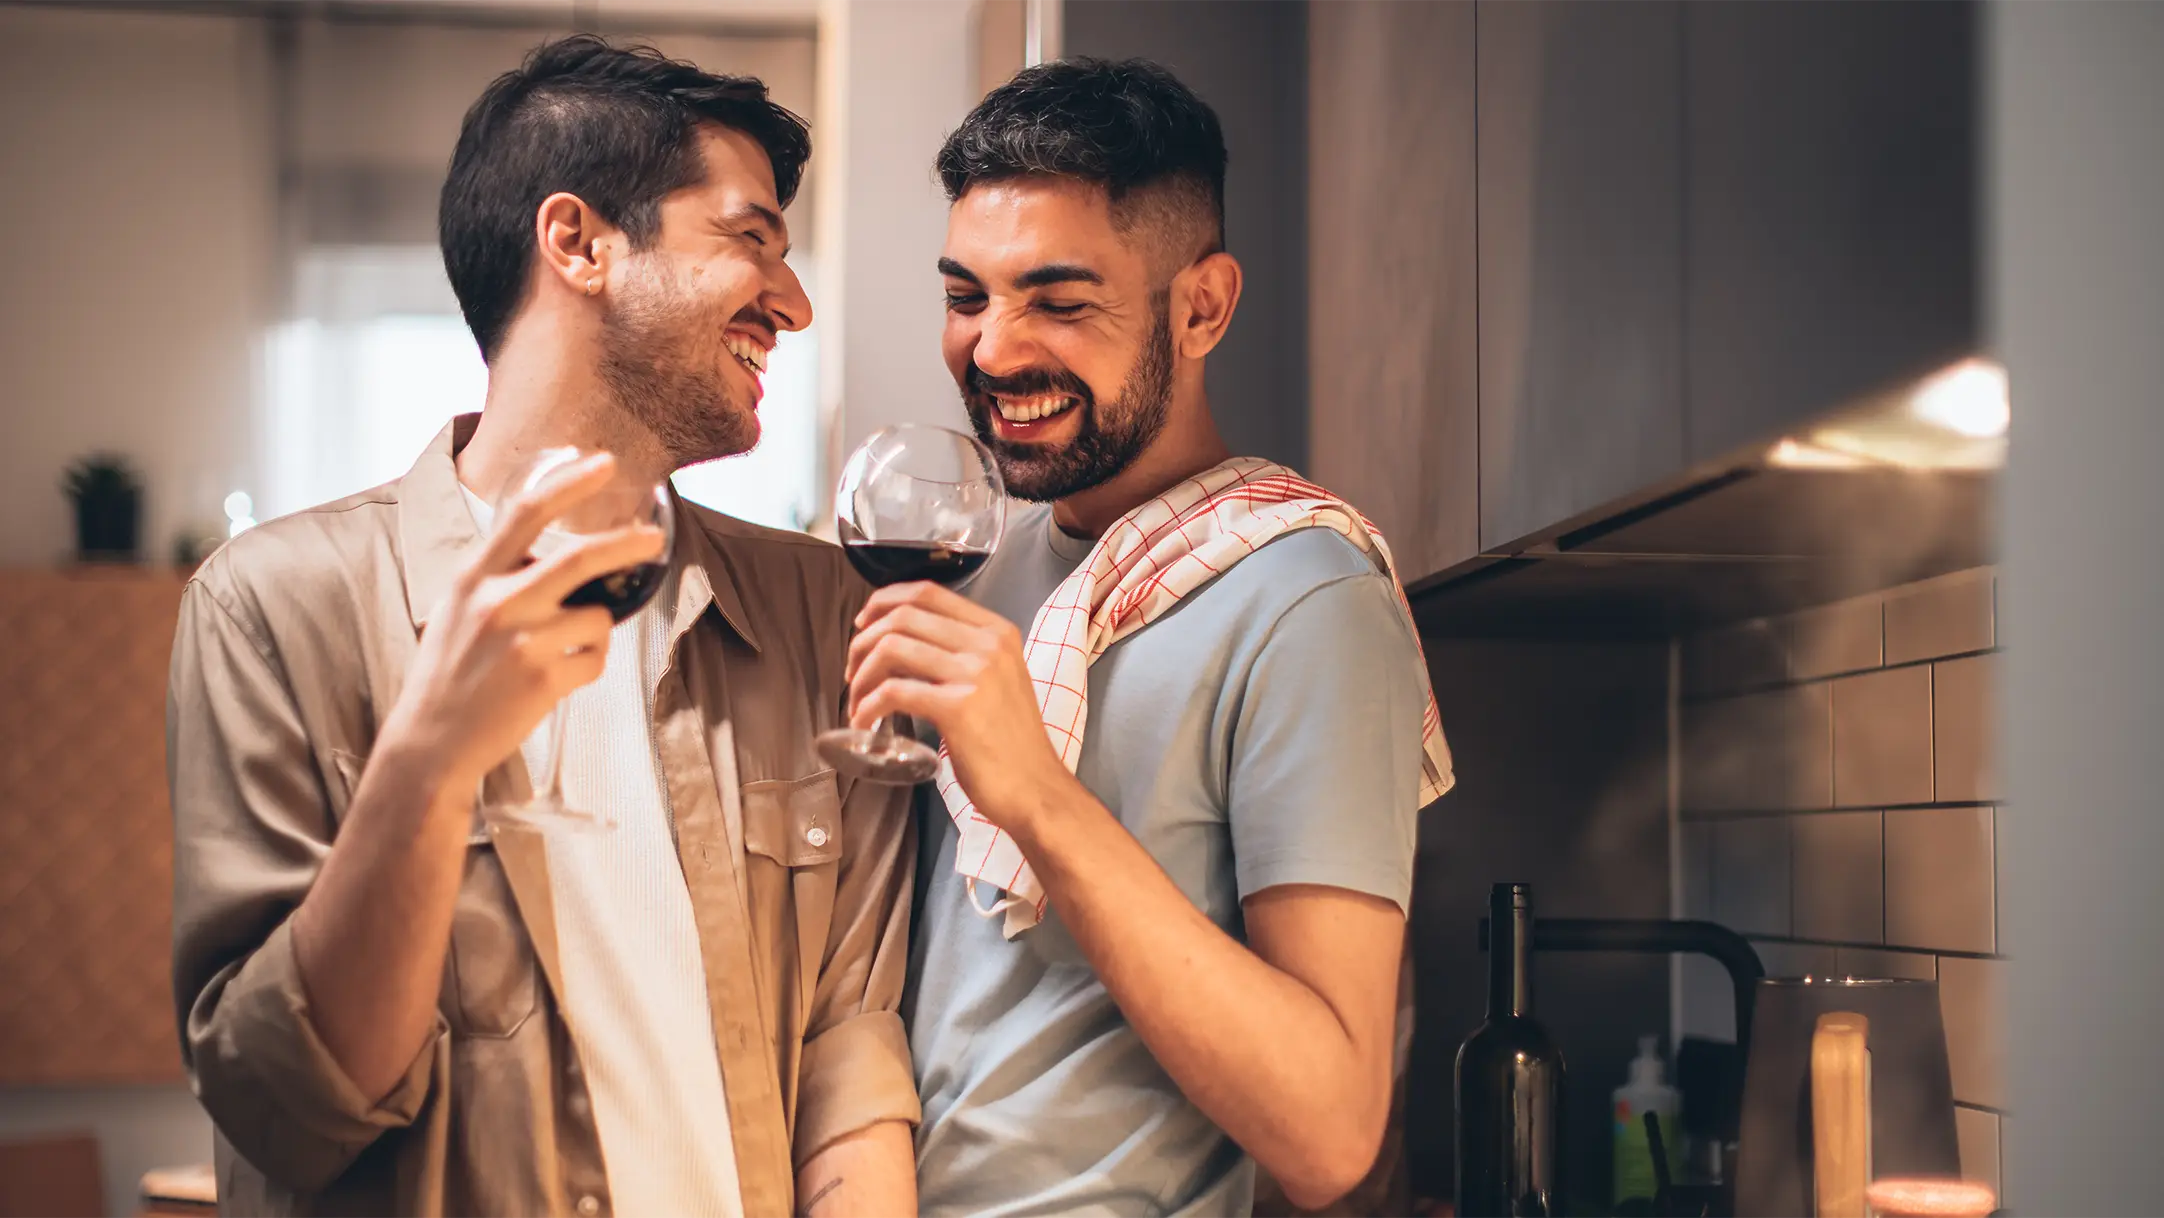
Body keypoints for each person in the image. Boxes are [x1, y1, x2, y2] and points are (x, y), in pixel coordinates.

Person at [168, 37, 917, 1218]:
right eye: (749, 237)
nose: (795, 301)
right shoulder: (272, 605)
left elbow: (852, 1045)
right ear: (578, 242)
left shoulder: (819, 609)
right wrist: (427, 759)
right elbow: (284, 1105)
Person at [854, 59, 1454, 1216]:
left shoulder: (1306, 602)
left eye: (1059, 301)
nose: (990, 351)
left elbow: (1331, 1133)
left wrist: (1034, 789)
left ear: (1202, 306)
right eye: (966, 296)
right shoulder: (984, 563)